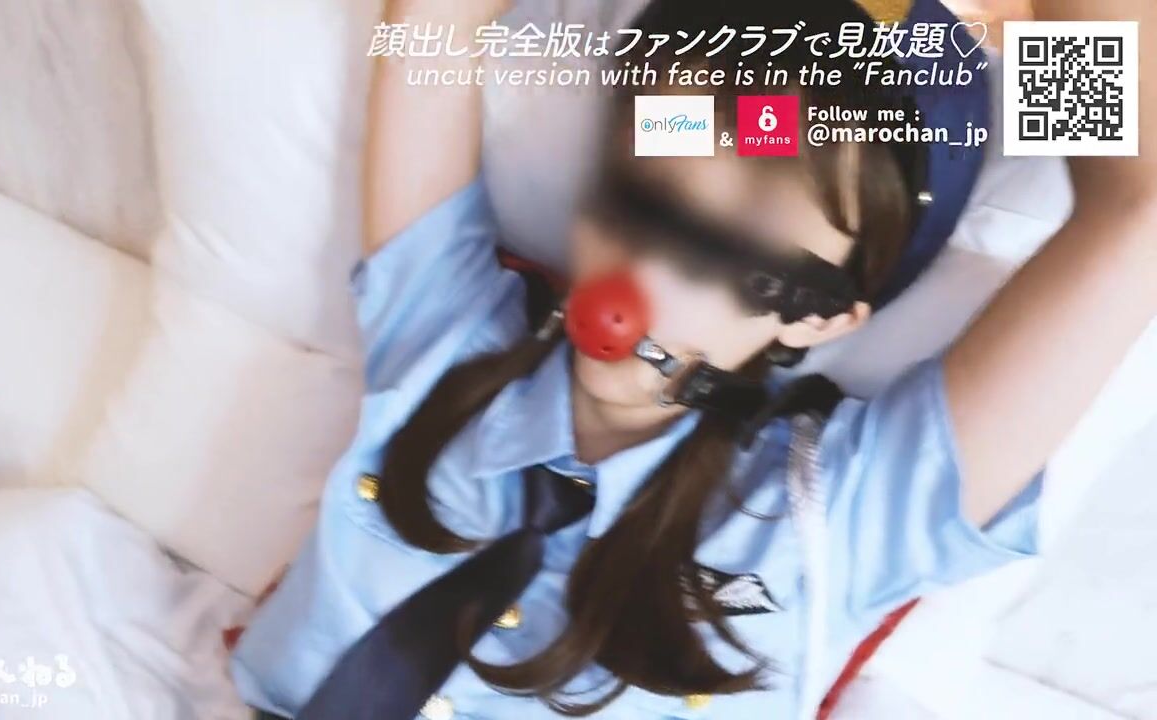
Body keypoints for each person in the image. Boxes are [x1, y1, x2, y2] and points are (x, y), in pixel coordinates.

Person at [231, 0, 1157, 718]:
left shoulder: (845, 515)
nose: (647, 271)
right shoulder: (442, 336)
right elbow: (431, 30)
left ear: (825, 319)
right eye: (644, 196)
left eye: (738, 247)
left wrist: (1055, 19)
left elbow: (1132, 211)